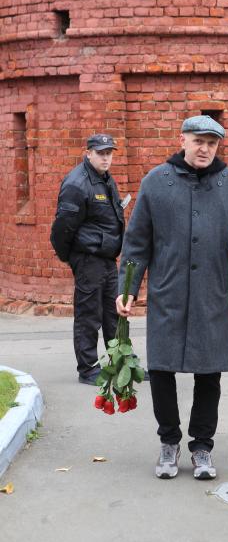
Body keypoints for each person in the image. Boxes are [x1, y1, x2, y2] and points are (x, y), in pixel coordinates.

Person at [116, 115, 228, 480]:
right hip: (168, 293)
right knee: (162, 369)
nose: (205, 149)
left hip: (213, 294)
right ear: (182, 139)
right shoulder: (156, 182)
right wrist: (127, 288)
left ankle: (202, 447)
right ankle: (169, 442)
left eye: (212, 143)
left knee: (208, 372)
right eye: (199, 141)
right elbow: (137, 243)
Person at [50, 134, 125, 385]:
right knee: (89, 315)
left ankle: (121, 363)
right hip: (88, 259)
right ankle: (88, 368)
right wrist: (71, 257)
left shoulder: (104, 178)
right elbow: (62, 228)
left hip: (106, 258)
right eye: (101, 152)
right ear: (89, 152)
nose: (106, 157)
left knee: (114, 313)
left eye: (109, 153)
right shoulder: (77, 183)